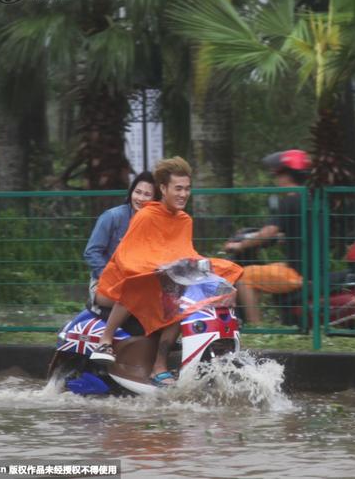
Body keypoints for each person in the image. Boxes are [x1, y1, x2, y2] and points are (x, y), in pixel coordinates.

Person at [90, 156, 242, 386]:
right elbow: (128, 258)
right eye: (178, 188)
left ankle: (159, 365)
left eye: (187, 189)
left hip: (162, 284)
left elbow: (187, 257)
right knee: (140, 283)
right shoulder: (145, 216)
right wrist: (159, 270)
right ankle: (106, 339)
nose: (183, 194)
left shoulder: (184, 220)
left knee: (182, 299)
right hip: (118, 286)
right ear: (163, 188)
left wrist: (223, 283)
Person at [224, 150, 311, 324]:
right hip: (310, 268)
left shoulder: (290, 200)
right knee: (261, 272)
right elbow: (297, 230)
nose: (276, 179)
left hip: (297, 272)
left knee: (244, 276)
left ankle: (258, 330)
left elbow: (268, 232)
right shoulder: (310, 198)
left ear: (287, 175)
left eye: (277, 174)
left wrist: (239, 246)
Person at [83, 171, 159, 306]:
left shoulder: (155, 223)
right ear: (131, 192)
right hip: (104, 284)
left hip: (138, 285)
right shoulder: (112, 217)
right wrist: (109, 277)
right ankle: (109, 328)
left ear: (155, 199)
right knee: (138, 301)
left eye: (147, 195)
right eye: (138, 192)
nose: (140, 198)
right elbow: (91, 252)